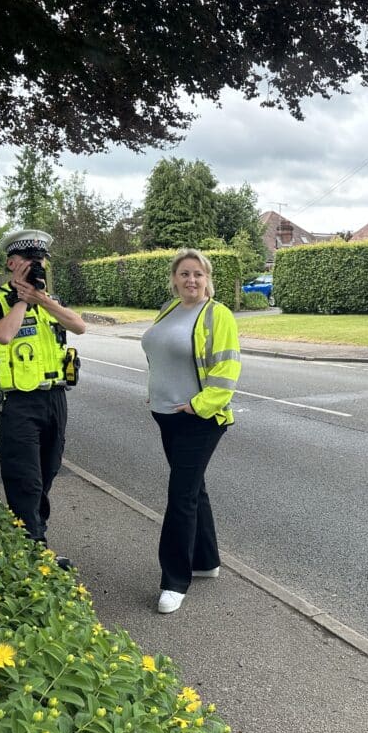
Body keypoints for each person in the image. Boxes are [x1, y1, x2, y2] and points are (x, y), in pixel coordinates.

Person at [0, 229, 86, 568]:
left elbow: (79, 326)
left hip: (54, 399)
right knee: (25, 477)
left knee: (47, 470)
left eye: (39, 262)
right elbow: (5, 335)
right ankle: (35, 554)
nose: (35, 267)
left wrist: (42, 299)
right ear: (12, 263)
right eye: (28, 261)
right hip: (17, 404)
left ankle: (30, 536)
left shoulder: (48, 301)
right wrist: (23, 299)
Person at [142, 249, 241, 613]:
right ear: (174, 278)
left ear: (208, 278)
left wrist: (198, 405)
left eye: (198, 274)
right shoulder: (170, 309)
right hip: (166, 415)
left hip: (199, 420)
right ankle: (206, 560)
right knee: (193, 489)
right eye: (184, 274)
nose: (191, 281)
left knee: (180, 495)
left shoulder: (218, 315)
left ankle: (174, 581)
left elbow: (227, 372)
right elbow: (160, 354)